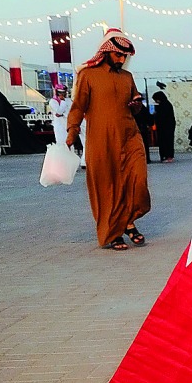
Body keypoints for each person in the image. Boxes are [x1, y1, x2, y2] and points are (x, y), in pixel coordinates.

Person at [65, 28, 151, 251]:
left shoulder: (127, 78)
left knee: (137, 180)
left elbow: (136, 104)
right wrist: (72, 131)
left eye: (125, 56)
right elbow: (78, 106)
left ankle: (129, 219)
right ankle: (117, 231)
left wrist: (137, 105)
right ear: (106, 52)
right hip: (102, 140)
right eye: (118, 55)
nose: (122, 60)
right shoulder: (88, 75)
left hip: (130, 136)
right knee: (108, 186)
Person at [152, 87, 176, 162]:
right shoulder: (167, 104)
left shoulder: (162, 106)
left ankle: (166, 156)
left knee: (164, 141)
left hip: (164, 127)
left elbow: (161, 116)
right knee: (169, 141)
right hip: (169, 126)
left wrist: (155, 115)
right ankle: (169, 156)